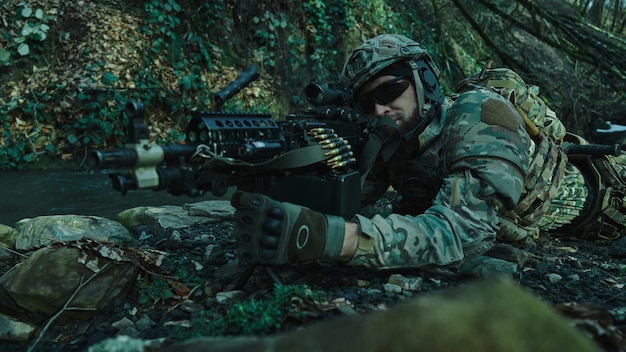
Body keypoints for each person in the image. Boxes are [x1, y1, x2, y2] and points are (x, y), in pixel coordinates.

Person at [231, 34, 626, 270]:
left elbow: (465, 232)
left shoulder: (481, 115)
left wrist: (337, 240)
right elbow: (345, 194)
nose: (380, 111)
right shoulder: (394, 138)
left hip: (610, 201)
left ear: (425, 81)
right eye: (365, 105)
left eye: (389, 92)